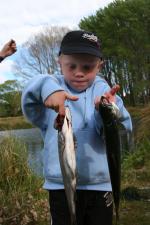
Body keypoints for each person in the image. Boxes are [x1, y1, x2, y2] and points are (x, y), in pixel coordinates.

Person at [22, 30, 132, 225]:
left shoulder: (102, 91)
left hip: (101, 188)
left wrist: (110, 110)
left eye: (87, 66)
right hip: (60, 187)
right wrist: (50, 92)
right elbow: (31, 96)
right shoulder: (51, 86)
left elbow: (124, 130)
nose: (79, 72)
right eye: (71, 65)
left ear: (100, 66)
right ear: (59, 62)